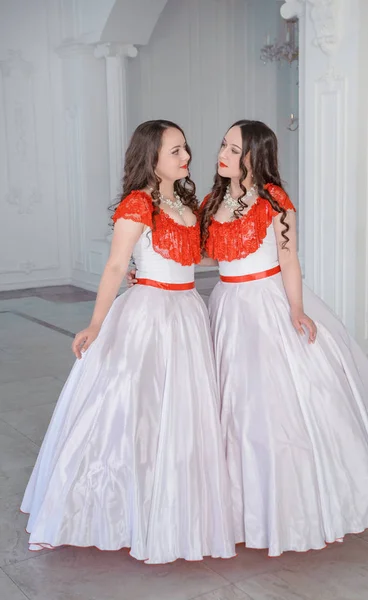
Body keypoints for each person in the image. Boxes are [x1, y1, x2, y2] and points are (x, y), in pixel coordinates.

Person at [198, 119, 368, 556]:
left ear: (253, 156)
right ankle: (239, 503)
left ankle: (294, 501)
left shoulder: (274, 200)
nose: (222, 154)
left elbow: (289, 261)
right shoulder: (213, 200)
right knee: (231, 402)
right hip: (227, 304)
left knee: (273, 402)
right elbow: (210, 254)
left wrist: (295, 309)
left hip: (267, 301)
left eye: (232, 148)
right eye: (222, 144)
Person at [21, 120, 235, 565]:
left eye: (185, 149)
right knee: (137, 409)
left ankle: (178, 505)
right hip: (150, 313)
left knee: (183, 411)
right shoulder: (138, 204)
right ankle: (126, 506)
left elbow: (199, 256)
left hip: (187, 310)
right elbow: (117, 267)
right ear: (151, 159)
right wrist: (96, 325)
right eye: (175, 151)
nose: (186, 157)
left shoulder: (183, 202)